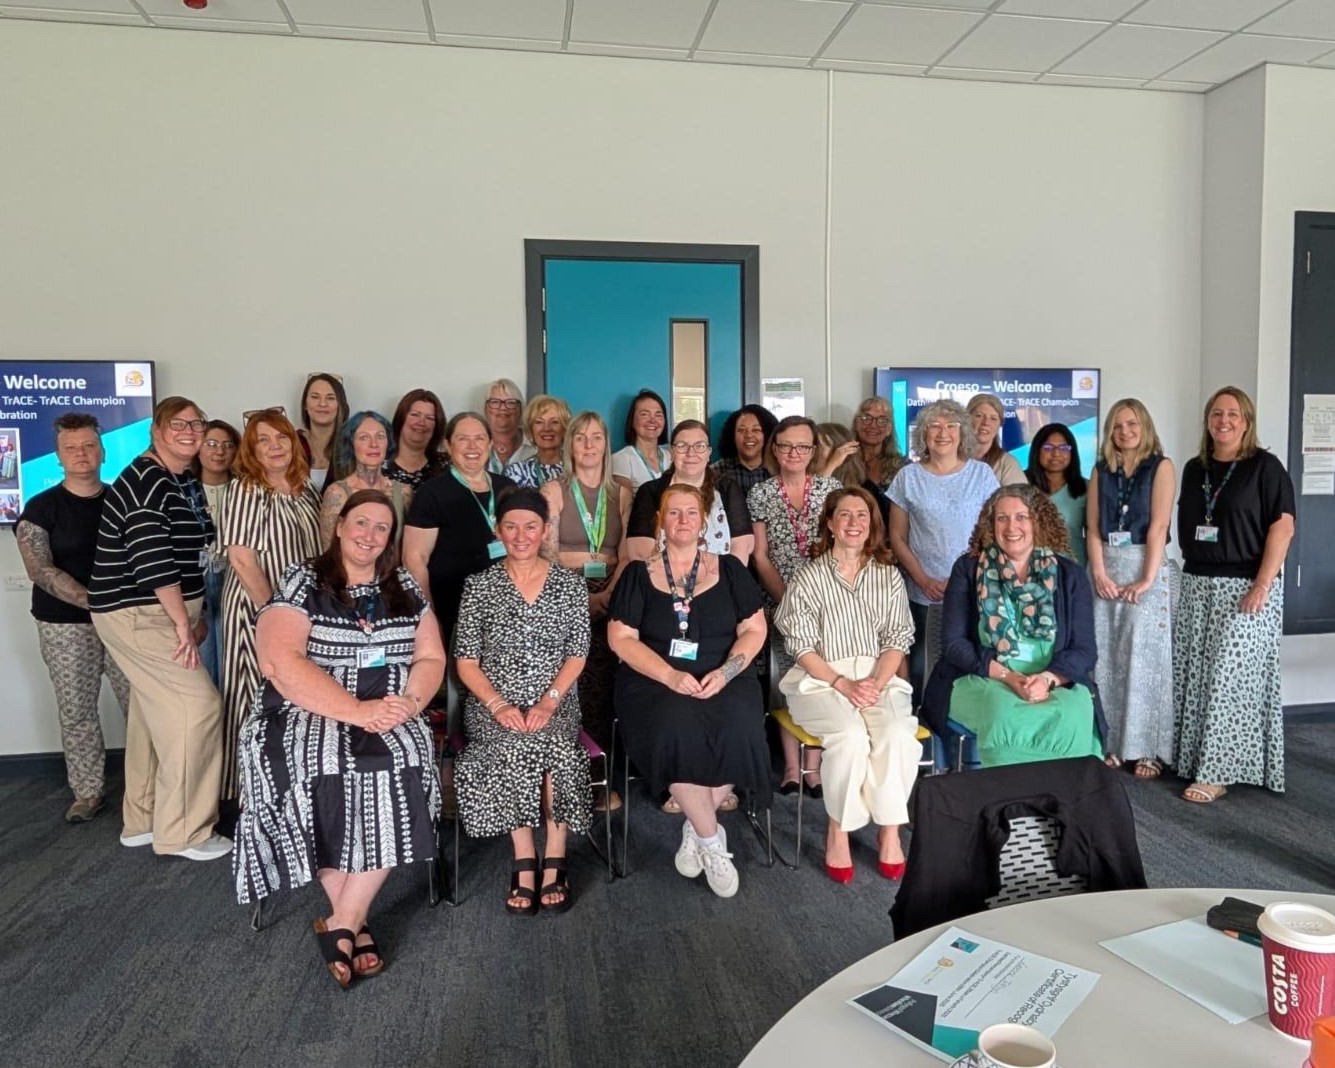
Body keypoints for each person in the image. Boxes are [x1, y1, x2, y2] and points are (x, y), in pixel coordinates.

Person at [233, 490, 445, 987]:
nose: (369, 535)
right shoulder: (305, 580)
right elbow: (279, 662)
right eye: (361, 523)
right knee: (317, 771)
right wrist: (354, 710)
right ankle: (354, 921)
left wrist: (409, 703)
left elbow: (431, 658)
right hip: (306, 711)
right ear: (340, 526)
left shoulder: (405, 586)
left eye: (381, 528)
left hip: (391, 710)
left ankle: (344, 921)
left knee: (406, 768)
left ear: (390, 540)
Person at [609, 484, 770, 899]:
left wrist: (728, 672)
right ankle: (712, 842)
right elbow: (621, 639)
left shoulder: (730, 569)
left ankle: (695, 826)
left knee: (740, 725)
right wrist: (668, 675)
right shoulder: (636, 574)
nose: (682, 520)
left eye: (691, 513)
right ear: (661, 521)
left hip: (725, 675)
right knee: (674, 727)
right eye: (674, 513)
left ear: (704, 522)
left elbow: (754, 629)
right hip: (654, 681)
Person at [87, 396, 230, 861]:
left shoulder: (179, 479)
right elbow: (153, 562)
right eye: (179, 424)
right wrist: (182, 626)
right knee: (199, 708)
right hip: (141, 612)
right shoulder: (148, 481)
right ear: (157, 429)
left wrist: (196, 612)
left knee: (153, 714)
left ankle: (143, 819)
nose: (190, 431)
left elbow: (197, 548)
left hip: (159, 611)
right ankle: (184, 832)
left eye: (197, 423)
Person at [454, 488, 592, 915]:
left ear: (545, 530)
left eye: (530, 526)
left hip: (556, 701)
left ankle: (554, 854)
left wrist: (550, 701)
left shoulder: (569, 585)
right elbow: (466, 661)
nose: (520, 535)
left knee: (553, 745)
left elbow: (577, 653)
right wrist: (498, 706)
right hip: (493, 704)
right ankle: (524, 858)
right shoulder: (478, 587)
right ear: (498, 530)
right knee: (515, 743)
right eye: (510, 526)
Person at [773, 487, 917, 883]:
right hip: (820, 681)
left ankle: (890, 831)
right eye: (845, 515)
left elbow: (897, 640)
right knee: (852, 737)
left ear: (872, 526)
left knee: (896, 734)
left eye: (862, 516)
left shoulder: (888, 576)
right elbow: (800, 646)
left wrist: (872, 683)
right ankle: (838, 829)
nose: (854, 523)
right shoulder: (809, 575)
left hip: (878, 677)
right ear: (831, 525)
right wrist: (842, 683)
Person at [923, 485, 1104, 768]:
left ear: (1037, 521)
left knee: (1077, 711)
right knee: (1002, 711)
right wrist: (1009, 677)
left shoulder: (1070, 574)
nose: (1011, 527)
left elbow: (1084, 650)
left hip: (1054, 682)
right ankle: (1008, 804)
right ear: (990, 524)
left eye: (1021, 517)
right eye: (1002, 518)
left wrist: (1046, 680)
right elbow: (954, 645)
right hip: (985, 679)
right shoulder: (968, 569)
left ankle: (1063, 806)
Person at [1172, 386, 1295, 804]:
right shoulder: (1194, 468)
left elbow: (1283, 527)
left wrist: (1262, 583)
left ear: (1246, 421)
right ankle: (1192, 759)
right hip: (1197, 582)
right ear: (1207, 420)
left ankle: (1218, 772)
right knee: (1196, 676)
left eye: (1233, 414)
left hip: (1247, 587)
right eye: (1217, 414)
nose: (1224, 421)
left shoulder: (1266, 467)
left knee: (1231, 681)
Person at [15, 413, 132, 823]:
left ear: (102, 450)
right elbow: (39, 569)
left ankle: (143, 790)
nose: (81, 454)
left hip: (125, 620)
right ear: (58, 456)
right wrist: (92, 599)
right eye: (71, 448)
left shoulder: (124, 501)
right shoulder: (41, 507)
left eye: (88, 446)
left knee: (140, 707)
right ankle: (87, 793)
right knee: (77, 711)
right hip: (64, 624)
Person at [218, 410, 322, 815]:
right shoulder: (247, 489)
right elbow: (242, 560)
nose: (274, 446)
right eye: (263, 440)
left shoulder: (303, 488)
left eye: (280, 438)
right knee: (251, 699)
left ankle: (283, 794)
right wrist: (270, 617)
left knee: (293, 696)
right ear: (252, 449)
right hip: (257, 612)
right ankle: (243, 801)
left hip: (299, 612)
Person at [748, 416, 843, 795]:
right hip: (780, 600)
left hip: (827, 604)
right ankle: (791, 767)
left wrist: (815, 601)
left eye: (802, 446)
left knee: (820, 681)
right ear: (775, 448)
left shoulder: (831, 490)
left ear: (814, 451)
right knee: (786, 681)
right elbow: (760, 555)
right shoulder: (761, 493)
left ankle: (813, 767)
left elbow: (841, 549)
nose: (793, 453)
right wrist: (789, 602)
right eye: (786, 445)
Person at [1087, 399, 1178, 778]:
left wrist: (1147, 578)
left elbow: (1158, 527)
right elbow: (1091, 528)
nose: (1125, 432)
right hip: (1106, 570)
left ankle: (1146, 750)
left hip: (1146, 566)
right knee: (1105, 660)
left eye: (1132, 424)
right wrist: (1098, 573)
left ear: (1145, 427)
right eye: (1118, 426)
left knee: (1145, 662)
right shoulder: (1100, 470)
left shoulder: (1161, 467)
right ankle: (1110, 743)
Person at [886, 400, 998, 699]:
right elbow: (897, 536)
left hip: (973, 589)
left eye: (951, 425)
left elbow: (993, 533)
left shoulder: (982, 475)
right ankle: (924, 734)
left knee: (969, 666)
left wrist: (965, 578)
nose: (942, 432)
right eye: (934, 425)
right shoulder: (907, 477)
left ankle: (960, 736)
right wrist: (923, 579)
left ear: (963, 433)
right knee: (924, 668)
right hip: (924, 592)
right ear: (923, 434)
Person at [539, 412, 633, 757]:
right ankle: (576, 759)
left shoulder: (622, 492)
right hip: (564, 588)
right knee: (575, 670)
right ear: (570, 445)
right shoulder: (553, 491)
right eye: (580, 437)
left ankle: (609, 758)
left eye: (596, 437)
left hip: (612, 587)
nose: (589, 445)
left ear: (607, 444)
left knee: (612, 666)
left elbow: (628, 554)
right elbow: (547, 556)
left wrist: (608, 594)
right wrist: (582, 600)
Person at [403, 412, 517, 643]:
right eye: (463, 439)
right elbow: (414, 558)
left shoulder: (508, 488)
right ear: (448, 444)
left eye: (480, 438)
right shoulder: (432, 493)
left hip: (507, 609)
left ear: (490, 443)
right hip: (452, 609)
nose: (472, 446)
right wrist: (429, 615)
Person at [625, 420, 754, 565]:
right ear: (672, 453)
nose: (691, 453)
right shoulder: (650, 492)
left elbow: (742, 547)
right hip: (662, 583)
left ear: (709, 453)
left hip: (722, 582)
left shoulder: (727, 489)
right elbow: (639, 552)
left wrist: (718, 582)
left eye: (700, 446)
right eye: (682, 446)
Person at [320, 411, 410, 546]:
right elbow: (329, 551)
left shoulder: (403, 492)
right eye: (364, 437)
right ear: (351, 445)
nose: (374, 444)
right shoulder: (337, 493)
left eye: (380, 437)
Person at [195, 418, 239, 688]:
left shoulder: (245, 489)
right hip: (196, 584)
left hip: (233, 578)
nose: (219, 451)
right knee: (202, 666)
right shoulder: (182, 488)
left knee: (231, 662)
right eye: (211, 444)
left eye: (227, 445)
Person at [1025, 422, 1087, 565]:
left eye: (1064, 448)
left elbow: (1094, 536)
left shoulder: (1087, 488)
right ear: (1036, 451)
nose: (1056, 453)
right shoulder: (1021, 484)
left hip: (1072, 571)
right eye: (1048, 448)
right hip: (1028, 572)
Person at [713, 404, 778, 502]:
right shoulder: (716, 472)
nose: (748, 435)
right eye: (741, 430)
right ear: (732, 436)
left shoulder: (778, 471)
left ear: (767, 434)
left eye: (756, 430)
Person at [296, 373, 349, 492]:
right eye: (315, 397)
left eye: (330, 398)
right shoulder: (292, 443)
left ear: (340, 405)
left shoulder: (351, 446)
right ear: (305, 404)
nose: (322, 404)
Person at [385, 389, 448, 488]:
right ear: (401, 418)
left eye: (430, 418)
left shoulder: (447, 466)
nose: (421, 422)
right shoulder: (379, 464)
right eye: (415, 415)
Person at [611, 389, 672, 491]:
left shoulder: (671, 457)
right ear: (632, 420)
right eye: (644, 414)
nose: (652, 420)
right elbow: (624, 505)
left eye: (658, 415)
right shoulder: (622, 459)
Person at [504, 395, 570, 488]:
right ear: (530, 429)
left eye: (554, 422)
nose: (546, 428)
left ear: (564, 428)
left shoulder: (577, 469)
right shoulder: (517, 472)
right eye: (539, 422)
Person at [967, 393, 1026, 486]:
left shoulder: (1007, 464)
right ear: (967, 419)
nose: (986, 422)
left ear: (1000, 424)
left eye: (993, 418)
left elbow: (1019, 499)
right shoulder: (950, 458)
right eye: (979, 416)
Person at [483, 378, 531, 474]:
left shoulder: (535, 444)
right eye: (495, 402)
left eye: (511, 402)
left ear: (520, 409)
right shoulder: (476, 444)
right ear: (485, 409)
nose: (503, 408)